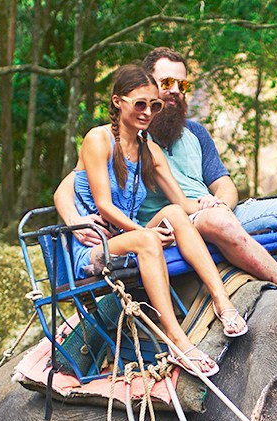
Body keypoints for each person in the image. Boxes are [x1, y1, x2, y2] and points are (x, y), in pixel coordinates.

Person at [52, 63, 243, 377]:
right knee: (148, 238)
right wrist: (144, 232)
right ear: (118, 102)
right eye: (139, 104)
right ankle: (177, 341)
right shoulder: (98, 139)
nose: (147, 112)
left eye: (154, 105)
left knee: (174, 215)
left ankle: (222, 301)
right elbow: (103, 205)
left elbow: (182, 203)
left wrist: (212, 202)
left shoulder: (149, 150)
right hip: (94, 247)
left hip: (126, 238)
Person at [136, 46, 277, 292]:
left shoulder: (195, 133)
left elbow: (224, 184)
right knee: (217, 219)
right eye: (166, 83)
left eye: (183, 85)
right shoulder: (130, 136)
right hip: (175, 224)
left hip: (216, 212)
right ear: (146, 84)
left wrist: (220, 203)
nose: (176, 91)